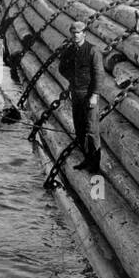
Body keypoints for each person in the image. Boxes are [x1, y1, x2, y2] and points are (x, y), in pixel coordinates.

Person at [57, 21, 104, 173]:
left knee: (92, 130)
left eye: (78, 33)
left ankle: (95, 165)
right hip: (76, 94)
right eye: (73, 33)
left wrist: (95, 95)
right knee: (80, 129)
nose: (75, 35)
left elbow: (99, 74)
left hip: (89, 94)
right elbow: (62, 68)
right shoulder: (70, 50)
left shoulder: (93, 51)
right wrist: (72, 80)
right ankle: (86, 159)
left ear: (85, 33)